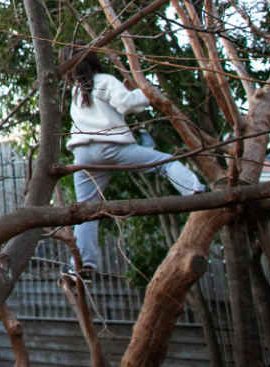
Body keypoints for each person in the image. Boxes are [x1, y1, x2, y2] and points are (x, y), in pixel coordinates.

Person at [66, 49, 206, 279]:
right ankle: (195, 190)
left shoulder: (76, 91)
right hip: (110, 147)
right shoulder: (105, 80)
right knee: (164, 162)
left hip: (83, 155)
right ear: (95, 61)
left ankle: (82, 266)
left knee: (86, 207)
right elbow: (125, 103)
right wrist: (148, 92)